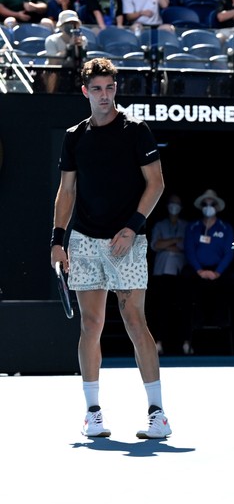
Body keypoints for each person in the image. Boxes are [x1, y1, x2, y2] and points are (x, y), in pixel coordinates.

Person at [50, 57, 171, 440]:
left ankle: (158, 414)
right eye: (97, 89)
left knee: (135, 321)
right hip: (84, 240)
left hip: (127, 241)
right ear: (85, 92)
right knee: (91, 324)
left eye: (110, 88)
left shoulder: (136, 130)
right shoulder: (74, 136)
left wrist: (132, 228)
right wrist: (57, 240)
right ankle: (92, 412)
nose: (105, 96)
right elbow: (66, 191)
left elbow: (156, 184)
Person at [184, 189, 234, 354]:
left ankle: (222, 335)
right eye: (205, 204)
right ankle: (189, 340)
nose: (208, 206)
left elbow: (229, 252)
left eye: (211, 203)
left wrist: (217, 272)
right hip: (197, 271)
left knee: (227, 288)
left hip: (218, 272)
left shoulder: (225, 228)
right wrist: (199, 270)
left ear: (217, 206)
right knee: (189, 292)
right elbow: (189, 249)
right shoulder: (193, 227)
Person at [149, 193, 189, 356]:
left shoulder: (186, 225)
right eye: (172, 203)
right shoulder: (159, 225)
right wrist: (174, 241)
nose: (174, 206)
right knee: (161, 308)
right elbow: (155, 244)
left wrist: (167, 244)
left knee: (180, 308)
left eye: (177, 203)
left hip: (180, 272)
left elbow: (187, 245)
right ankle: (159, 342)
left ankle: (184, 344)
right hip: (162, 271)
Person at [44, 9, 88, 93]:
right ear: (61, 26)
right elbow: (52, 63)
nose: (71, 26)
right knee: (52, 73)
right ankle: (50, 99)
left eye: (74, 24)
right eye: (68, 24)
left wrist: (80, 47)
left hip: (75, 72)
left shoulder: (83, 40)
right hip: (58, 73)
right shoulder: (52, 40)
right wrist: (69, 47)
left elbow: (82, 61)